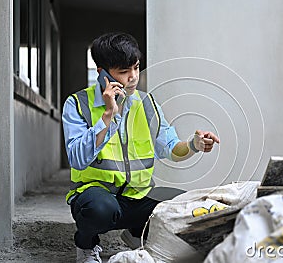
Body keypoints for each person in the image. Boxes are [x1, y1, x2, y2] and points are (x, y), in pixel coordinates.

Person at [62, 32, 220, 263]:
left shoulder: (147, 104)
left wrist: (194, 144)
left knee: (183, 206)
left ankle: (137, 233)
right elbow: (77, 158)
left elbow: (171, 149)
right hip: (97, 195)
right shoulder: (77, 104)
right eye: (124, 72)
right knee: (99, 210)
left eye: (136, 68)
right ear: (102, 74)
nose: (133, 77)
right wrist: (108, 116)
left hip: (138, 195)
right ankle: (86, 245)